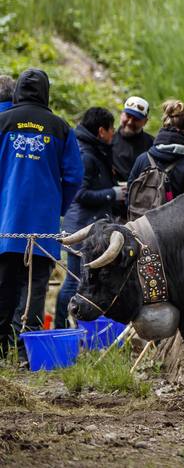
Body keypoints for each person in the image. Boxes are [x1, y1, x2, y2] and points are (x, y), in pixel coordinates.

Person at [0, 69, 83, 358]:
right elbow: (74, 177)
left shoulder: (2, 122)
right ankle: (27, 355)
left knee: (4, 285)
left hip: (6, 225)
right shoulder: (59, 128)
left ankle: (1, 350)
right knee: (35, 288)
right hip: (42, 226)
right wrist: (57, 208)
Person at [55, 106, 124, 328]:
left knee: (79, 282)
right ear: (101, 131)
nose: (114, 133)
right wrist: (113, 193)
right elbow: (80, 193)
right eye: (112, 129)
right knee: (73, 282)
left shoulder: (96, 149)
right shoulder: (86, 154)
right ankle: (60, 328)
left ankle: (77, 331)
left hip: (89, 226)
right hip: (81, 228)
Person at [126, 100, 184, 216]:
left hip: (141, 228)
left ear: (164, 127)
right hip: (173, 231)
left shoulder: (143, 158)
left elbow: (129, 194)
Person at [111, 95, 152, 180]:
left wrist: (169, 194)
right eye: (128, 116)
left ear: (145, 122)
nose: (130, 122)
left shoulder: (152, 144)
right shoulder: (108, 141)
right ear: (121, 114)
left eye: (136, 119)